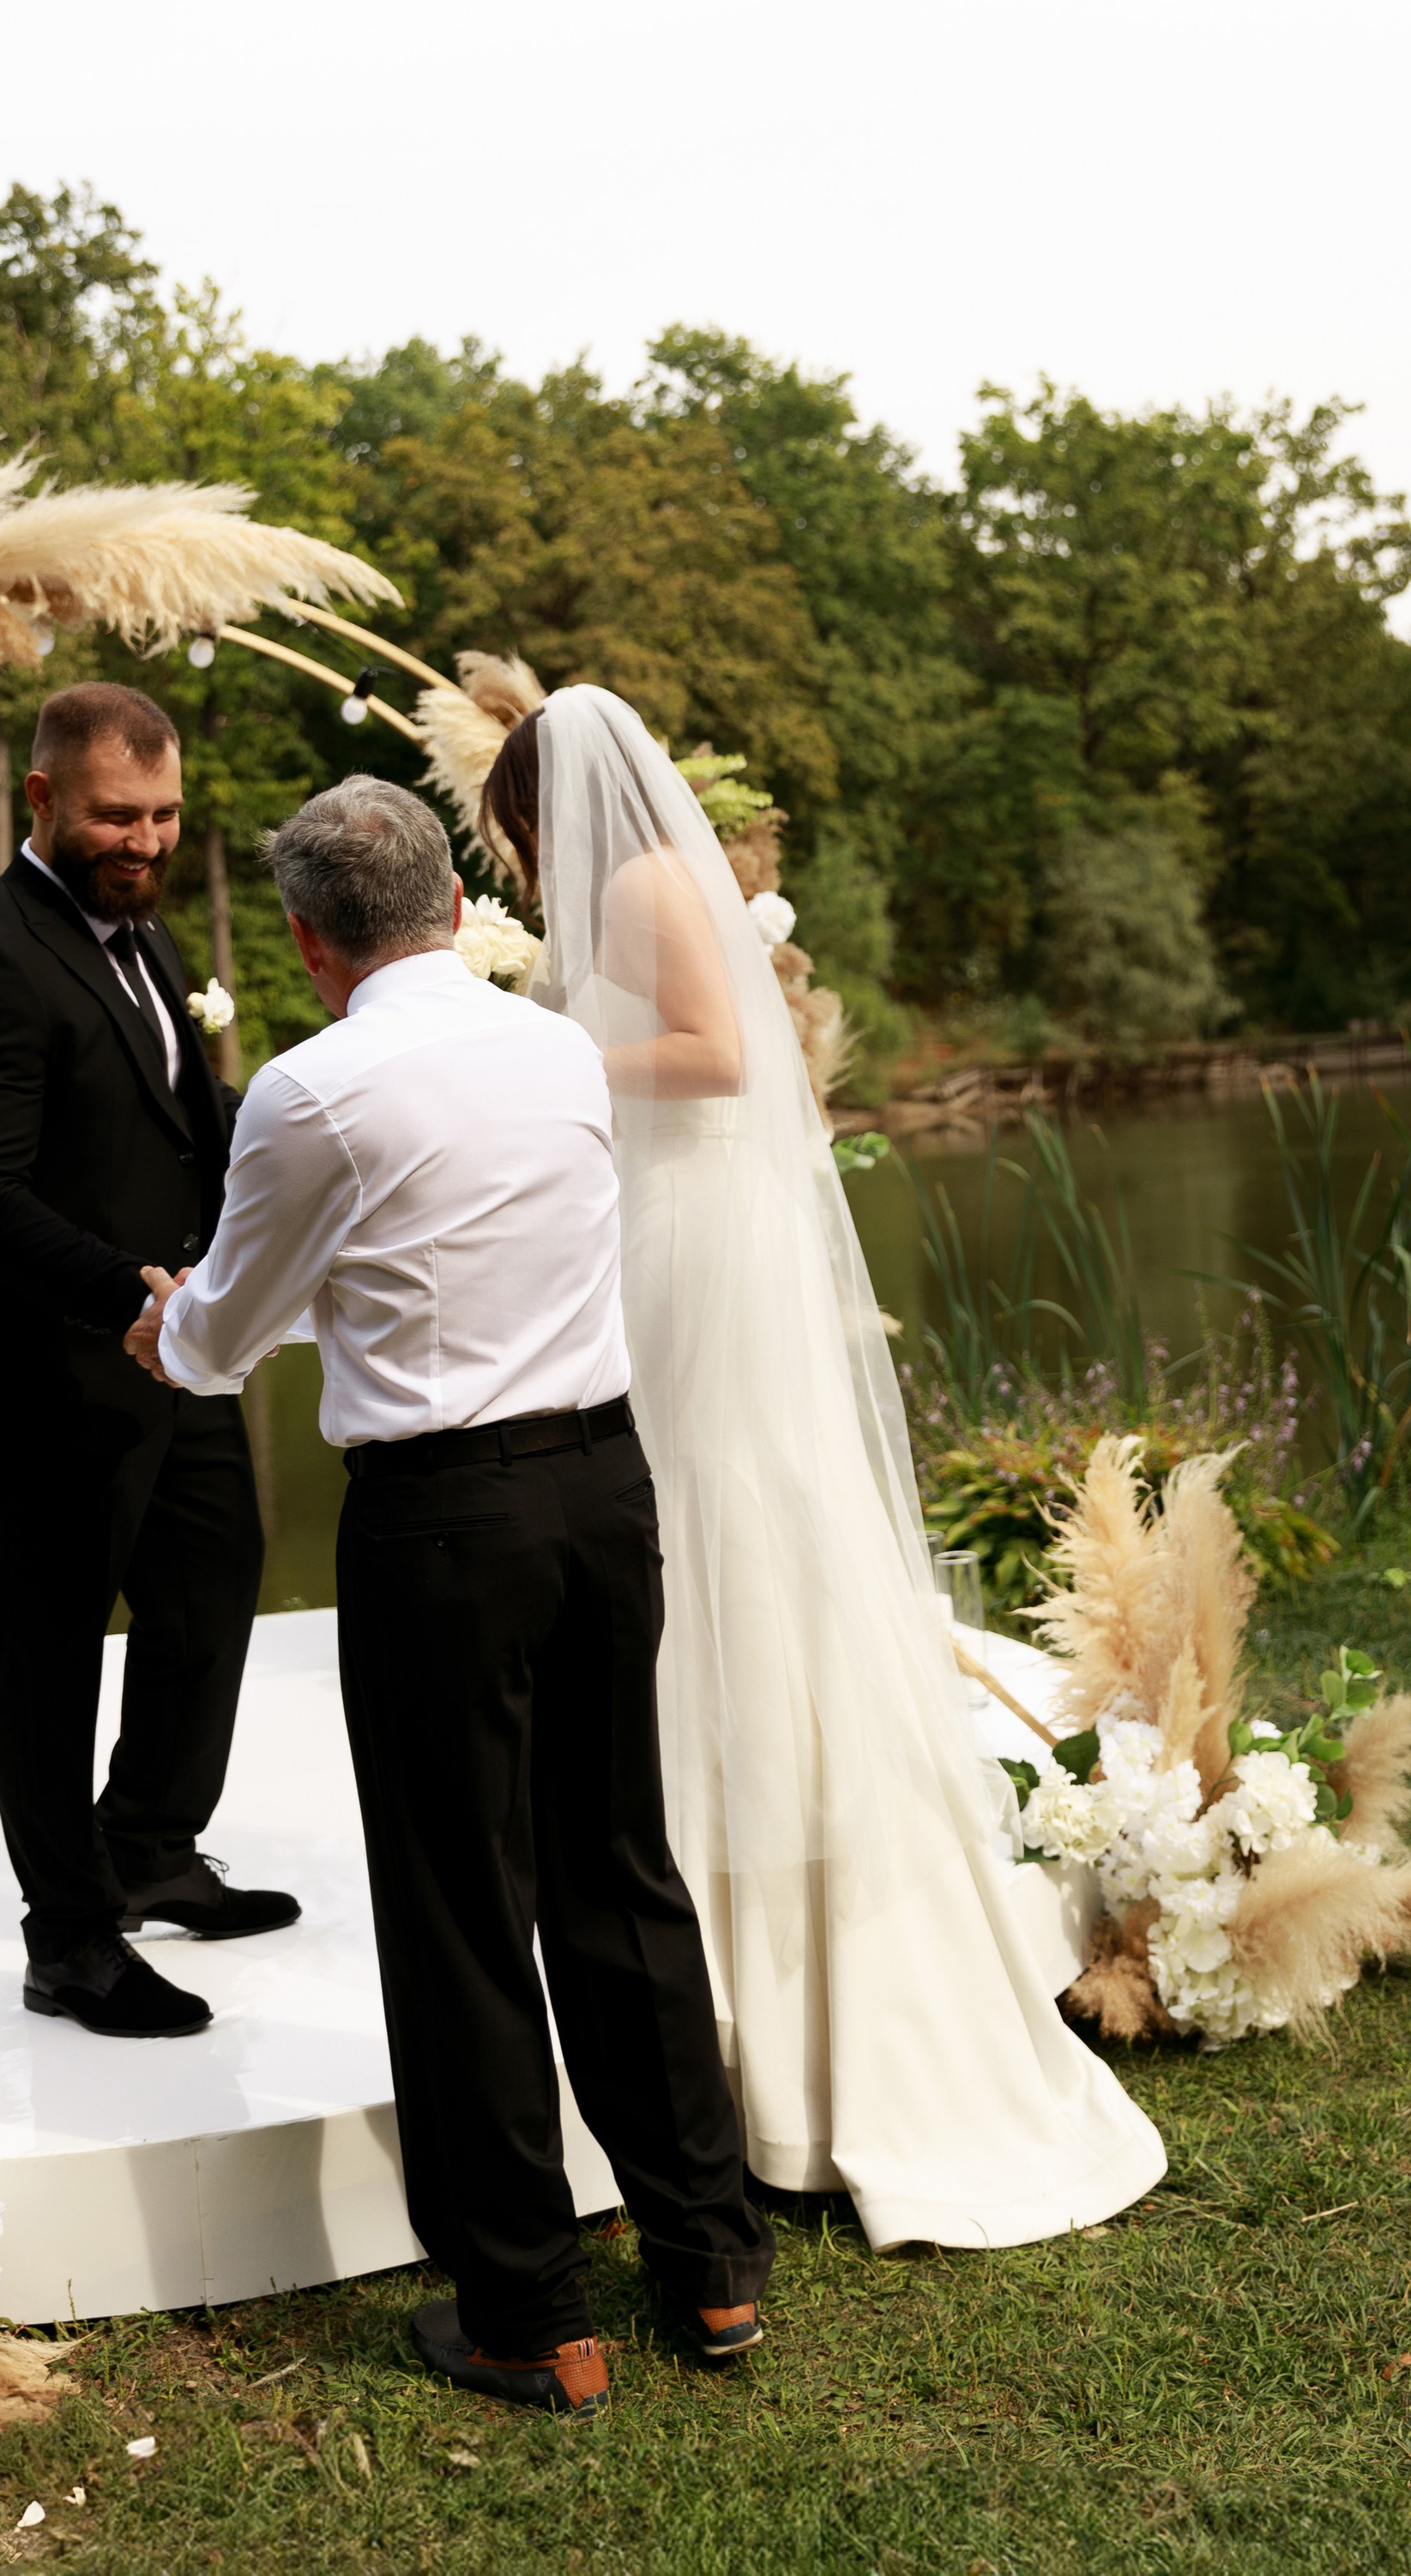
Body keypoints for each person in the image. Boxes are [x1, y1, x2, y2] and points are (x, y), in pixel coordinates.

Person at [475, 685, 1167, 2248]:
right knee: (691, 1530)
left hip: (699, 1232)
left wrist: (555, 1044)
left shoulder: (646, 885)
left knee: (718, 1519)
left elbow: (718, 1058)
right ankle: (703, 1926)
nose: (524, 859)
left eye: (519, 829)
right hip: (672, 1223)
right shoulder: (642, 884)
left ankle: (757, 1948)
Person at [135, 775, 774, 2418]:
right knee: (620, 1873)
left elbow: (220, 1338)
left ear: (306, 939)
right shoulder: (557, 1049)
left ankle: (530, 2314)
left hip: (441, 1526)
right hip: (603, 1493)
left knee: (461, 1910)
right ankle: (710, 2273)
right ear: (444, 899)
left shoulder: (308, 1088)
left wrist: (172, 1323)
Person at [0, 682, 298, 2042]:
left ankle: (147, 1846)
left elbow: (189, 1122)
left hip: (174, 1354)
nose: (143, 839)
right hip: (45, 1373)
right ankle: (67, 1940)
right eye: (114, 816)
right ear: (42, 801)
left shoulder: (142, 933)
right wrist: (125, 1289)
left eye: (165, 814)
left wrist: (331, 1121)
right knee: (52, 1651)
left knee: (214, 1586)